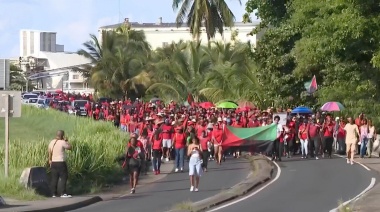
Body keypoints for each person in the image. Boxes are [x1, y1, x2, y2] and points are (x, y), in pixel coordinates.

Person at [48, 130, 72, 198]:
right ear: (62, 135)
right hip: (61, 162)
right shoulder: (62, 142)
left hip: (53, 162)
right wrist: (66, 141)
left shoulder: (52, 142)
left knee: (54, 178)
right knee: (64, 177)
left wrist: (50, 160)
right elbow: (70, 147)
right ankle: (63, 193)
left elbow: (49, 151)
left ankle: (53, 193)